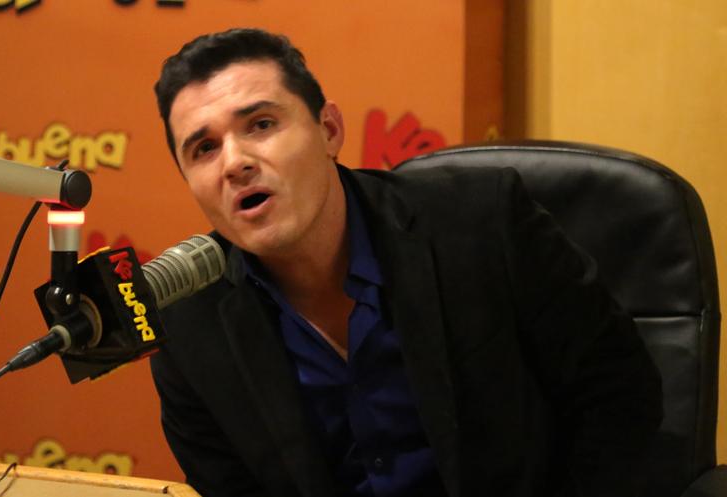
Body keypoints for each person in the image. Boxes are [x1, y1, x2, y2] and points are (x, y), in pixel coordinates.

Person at [150, 28, 662, 497]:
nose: (235, 163)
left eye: (261, 125)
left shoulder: (483, 225)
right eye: (204, 149)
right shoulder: (187, 323)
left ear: (329, 130)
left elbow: (618, 398)